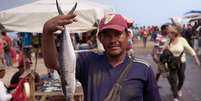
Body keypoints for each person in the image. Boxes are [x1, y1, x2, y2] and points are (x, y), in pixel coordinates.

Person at [42, 13, 161, 101]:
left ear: (128, 35)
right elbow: (54, 63)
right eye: (108, 36)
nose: (113, 40)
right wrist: (47, 32)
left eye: (118, 34)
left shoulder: (144, 69)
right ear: (100, 39)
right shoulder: (87, 61)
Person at [166, 25, 200, 101]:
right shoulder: (168, 41)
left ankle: (178, 89)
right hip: (171, 63)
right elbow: (164, 52)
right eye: (168, 33)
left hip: (181, 62)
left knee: (182, 78)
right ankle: (175, 97)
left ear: (174, 33)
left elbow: (190, 49)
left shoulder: (182, 40)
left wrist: (196, 59)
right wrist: (166, 49)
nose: (168, 35)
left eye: (169, 33)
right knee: (173, 80)